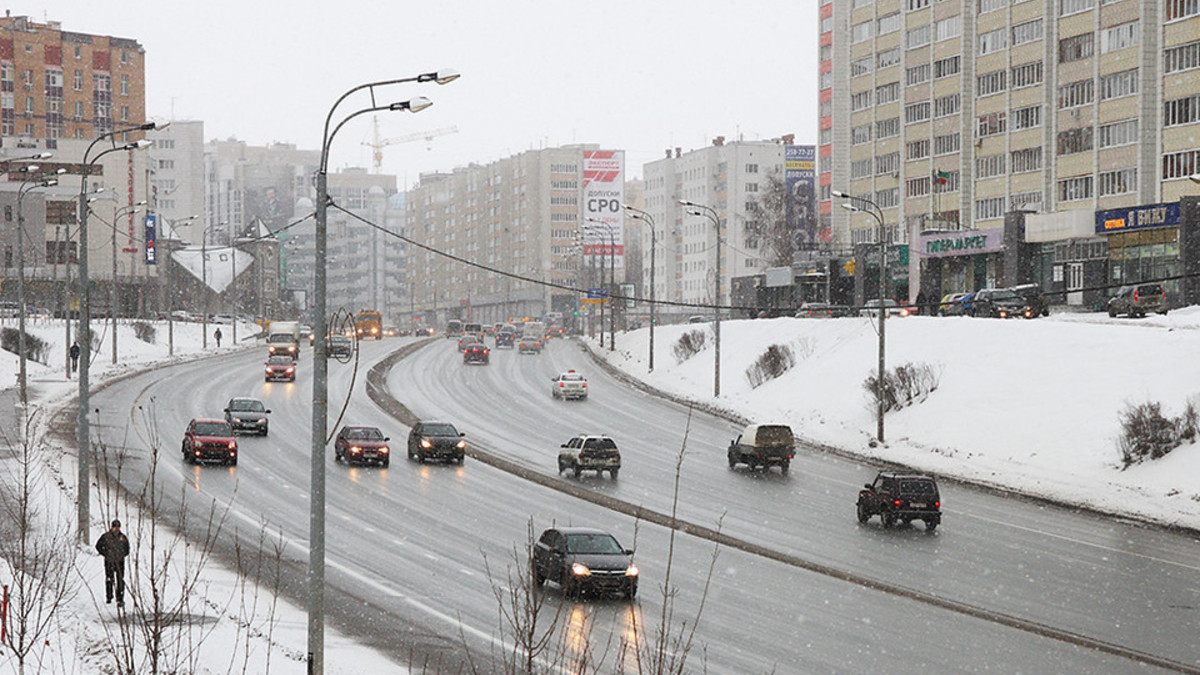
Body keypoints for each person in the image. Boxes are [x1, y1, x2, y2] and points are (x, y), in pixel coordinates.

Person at [95, 519, 130, 608]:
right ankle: (109, 597)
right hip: (109, 561)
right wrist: (105, 554)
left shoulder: (123, 537)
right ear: (112, 527)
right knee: (109, 579)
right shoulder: (106, 536)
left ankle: (120, 598)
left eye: (118, 527)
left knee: (120, 580)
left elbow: (127, 549)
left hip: (120, 561)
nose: (116, 529)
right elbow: (98, 546)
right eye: (115, 527)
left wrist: (122, 555)